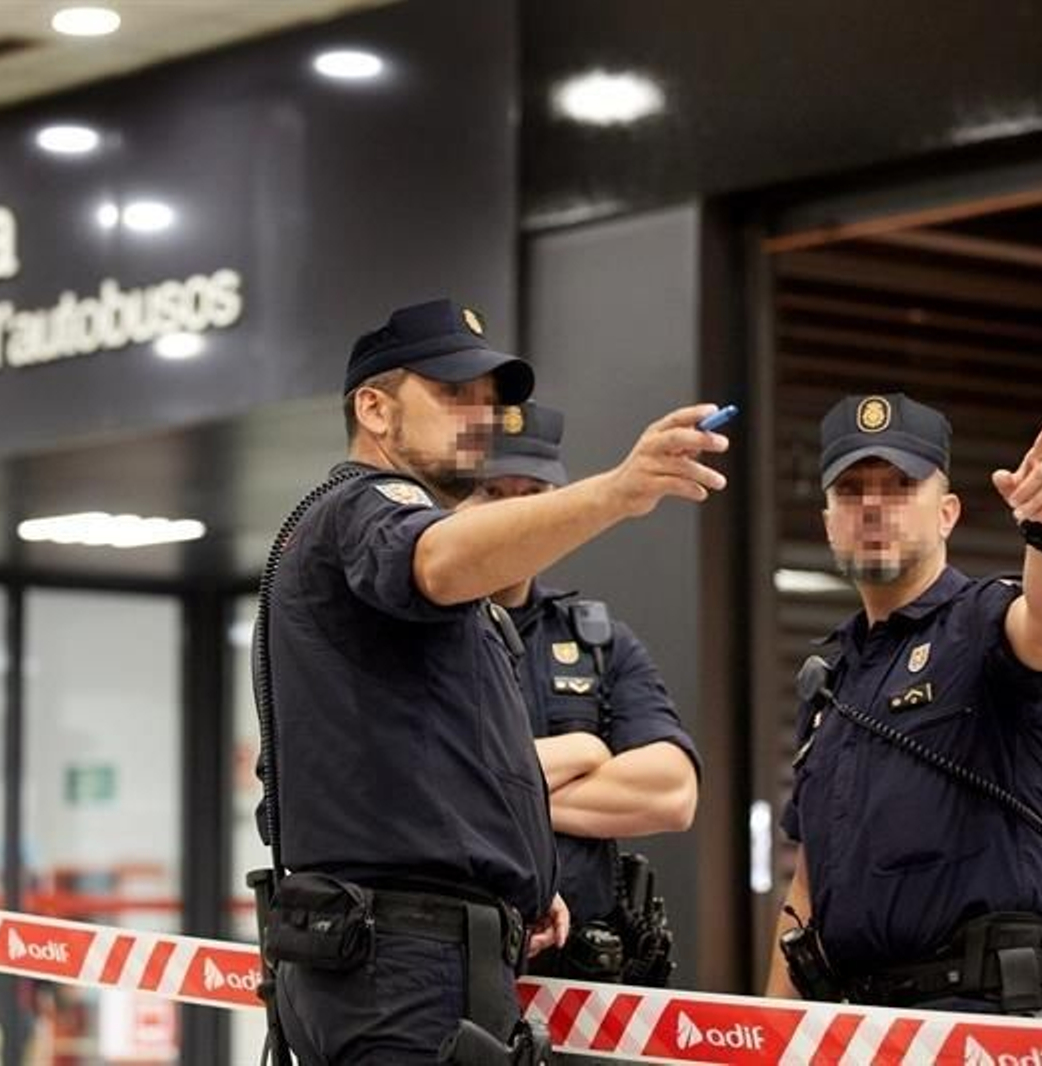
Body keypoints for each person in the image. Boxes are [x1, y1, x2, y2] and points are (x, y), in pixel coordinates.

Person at [258, 298, 730, 1064]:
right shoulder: (369, 505)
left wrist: (513, 874)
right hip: (398, 964)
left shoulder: (447, 596)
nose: (479, 416)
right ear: (374, 409)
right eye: (452, 395)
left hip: (412, 955)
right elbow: (436, 558)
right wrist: (618, 491)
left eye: (487, 399)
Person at [766, 393, 1042, 1016]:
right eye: (850, 491)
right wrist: (773, 1032)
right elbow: (807, 883)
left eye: (898, 486)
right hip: (858, 1026)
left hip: (986, 1024)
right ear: (827, 522)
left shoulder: (980, 621)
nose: (871, 505)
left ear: (947, 513)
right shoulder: (830, 682)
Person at [476, 400, 700, 988]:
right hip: (451, 974)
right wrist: (581, 752)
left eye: (532, 494)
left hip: (584, 981)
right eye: (492, 494)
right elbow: (411, 790)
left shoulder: (595, 640)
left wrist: (483, 798)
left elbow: (672, 794)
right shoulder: (424, 633)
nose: (514, 513)